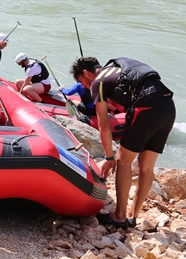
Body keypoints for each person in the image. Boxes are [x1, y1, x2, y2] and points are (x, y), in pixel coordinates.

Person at [70, 56, 176, 229]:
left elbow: (104, 125)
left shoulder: (98, 83)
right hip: (168, 106)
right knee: (146, 166)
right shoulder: (118, 69)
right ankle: (133, 216)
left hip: (146, 108)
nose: (83, 86)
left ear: (86, 73)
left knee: (122, 160)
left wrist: (109, 157)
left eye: (81, 81)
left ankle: (119, 216)